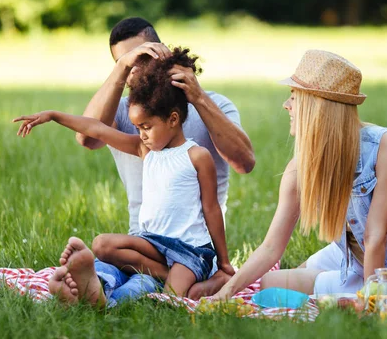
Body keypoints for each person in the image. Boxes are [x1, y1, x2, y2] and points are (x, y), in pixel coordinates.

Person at [13, 47, 234, 305]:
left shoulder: (197, 156)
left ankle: (205, 281)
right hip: (153, 244)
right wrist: (53, 116)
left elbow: (211, 209)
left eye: (146, 127)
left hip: (190, 252)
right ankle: (163, 276)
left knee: (172, 300)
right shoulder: (144, 149)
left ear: (173, 119)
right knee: (102, 245)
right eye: (138, 127)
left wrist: (224, 261)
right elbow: (97, 128)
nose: (141, 134)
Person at [212, 50, 387, 299]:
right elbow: (271, 247)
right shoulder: (300, 167)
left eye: (294, 97)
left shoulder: (386, 147)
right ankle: (336, 293)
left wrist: (372, 301)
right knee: (270, 282)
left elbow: (375, 237)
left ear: (317, 105)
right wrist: (224, 294)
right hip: (346, 253)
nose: (286, 105)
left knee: (280, 287)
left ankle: (344, 297)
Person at [77, 18, 255, 301]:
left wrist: (197, 97)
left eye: (141, 57)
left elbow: (245, 162)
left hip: (190, 248)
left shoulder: (214, 104)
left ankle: (112, 296)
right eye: (125, 63)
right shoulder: (129, 111)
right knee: (102, 268)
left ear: (163, 52)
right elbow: (88, 137)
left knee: (141, 290)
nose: (135, 71)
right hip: (142, 244)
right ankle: (91, 287)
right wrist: (121, 69)